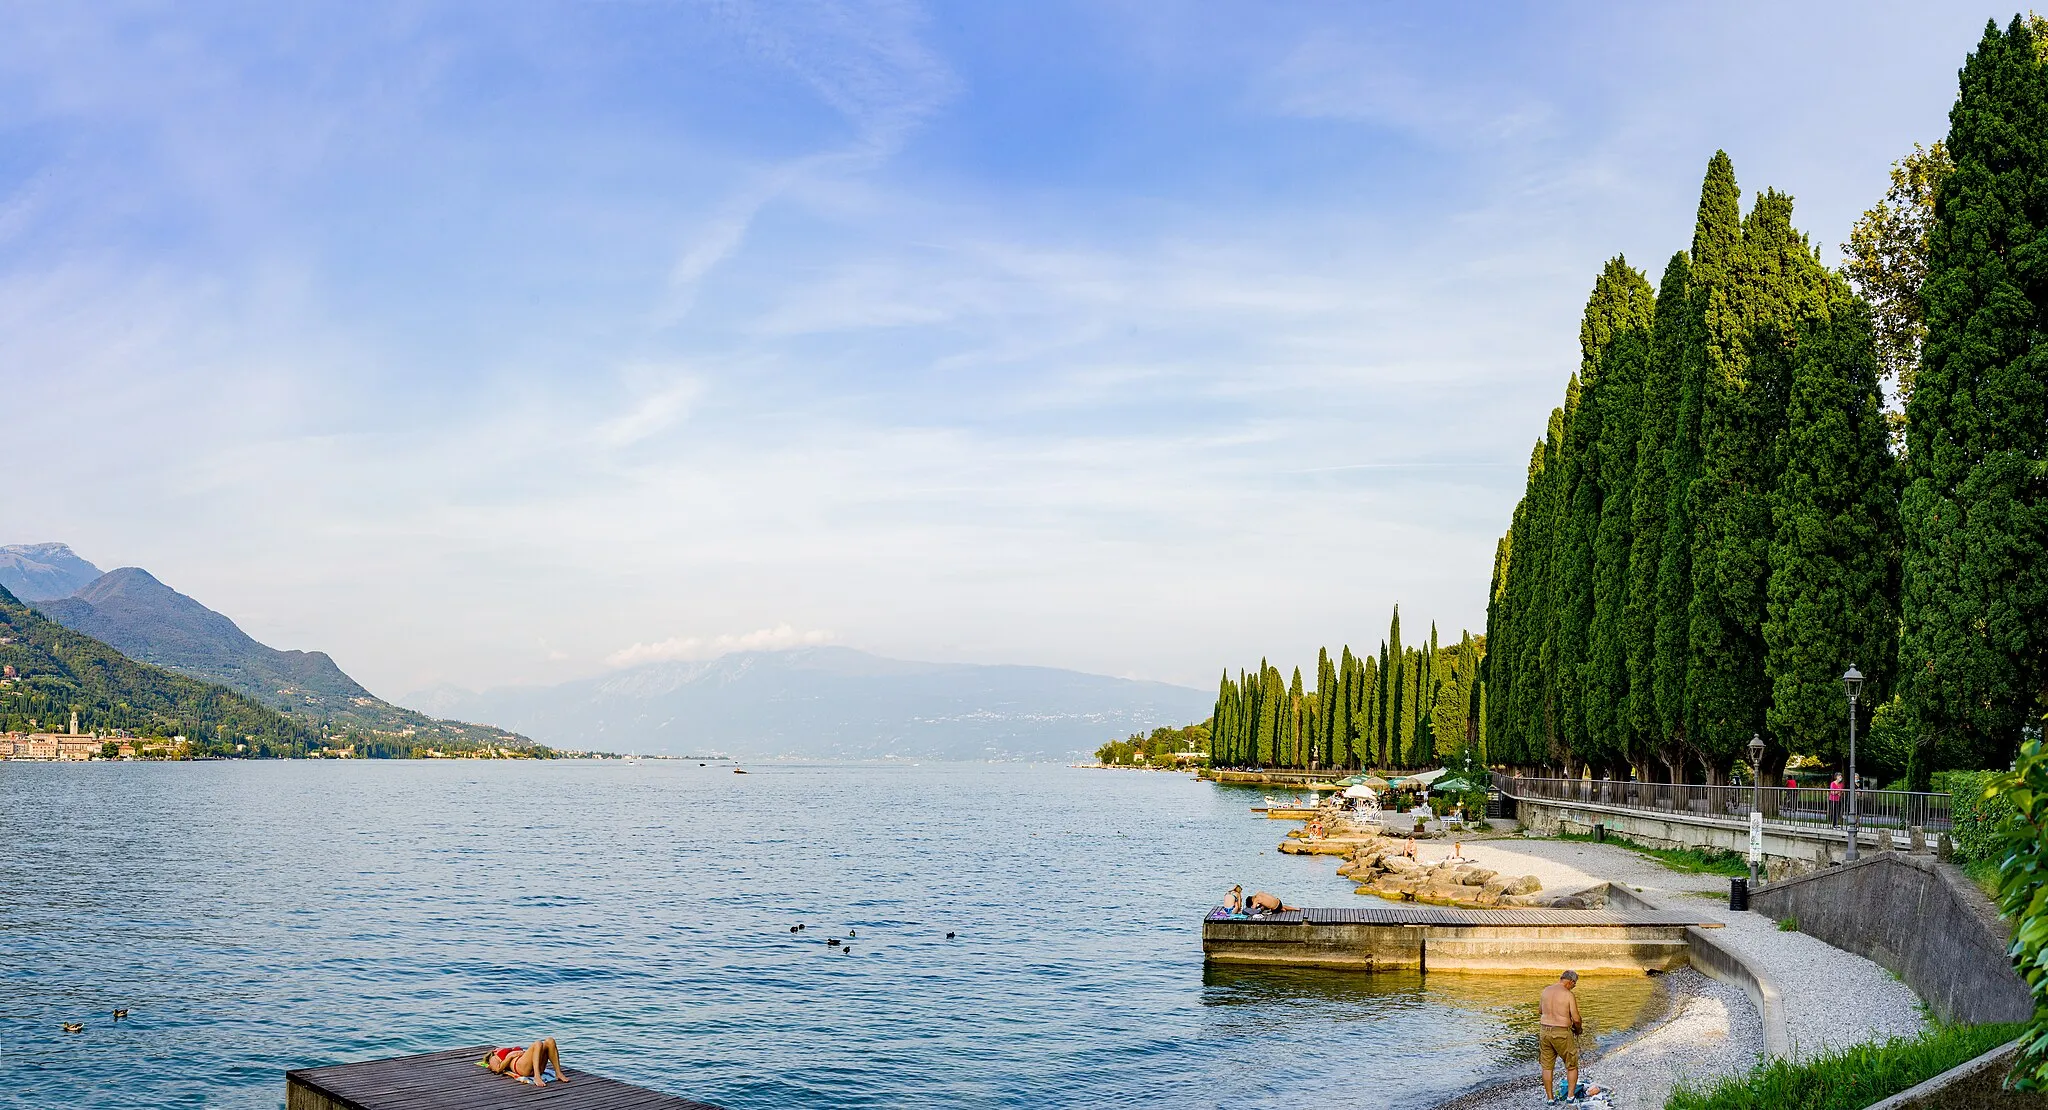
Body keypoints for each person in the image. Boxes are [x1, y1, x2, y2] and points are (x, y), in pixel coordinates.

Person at [1537, 971, 1582, 1105]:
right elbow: (1576, 1018)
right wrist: (1578, 1029)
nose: (1573, 987)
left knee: (1547, 1066)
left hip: (1544, 1031)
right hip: (1561, 1032)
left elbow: (1540, 1011)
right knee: (1571, 1065)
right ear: (1571, 982)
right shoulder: (1568, 994)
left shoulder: (1545, 991)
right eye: (1574, 984)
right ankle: (1570, 1097)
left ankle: (1550, 1099)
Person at [484, 1039, 569, 1086]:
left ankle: (558, 1072)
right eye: (497, 1048)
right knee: (538, 1043)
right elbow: (498, 1069)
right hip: (520, 1066)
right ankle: (537, 1076)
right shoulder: (494, 1056)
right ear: (494, 1051)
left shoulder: (511, 1050)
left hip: (531, 1064)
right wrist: (510, 1056)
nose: (499, 1047)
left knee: (550, 1041)